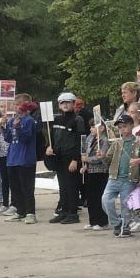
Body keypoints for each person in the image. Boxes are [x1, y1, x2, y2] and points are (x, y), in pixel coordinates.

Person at [47, 92, 86, 224]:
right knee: (62, 186)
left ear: (74, 104)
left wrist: (76, 159)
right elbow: (52, 137)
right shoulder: (57, 120)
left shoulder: (78, 120)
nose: (65, 105)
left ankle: (73, 214)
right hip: (59, 157)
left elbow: (81, 140)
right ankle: (63, 211)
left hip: (71, 158)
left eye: (68, 102)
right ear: (59, 105)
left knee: (72, 186)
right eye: (62, 102)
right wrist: (49, 147)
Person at [102, 114, 140, 237]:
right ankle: (117, 223)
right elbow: (107, 160)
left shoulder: (138, 143)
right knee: (105, 200)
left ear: (131, 125)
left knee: (126, 205)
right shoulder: (116, 143)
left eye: (125, 126)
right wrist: (102, 156)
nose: (122, 129)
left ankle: (125, 227)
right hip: (114, 178)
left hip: (129, 179)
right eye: (120, 127)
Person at [2, 99, 39, 224]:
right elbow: (8, 138)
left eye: (18, 104)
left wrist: (18, 128)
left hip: (25, 159)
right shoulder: (12, 120)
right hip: (12, 158)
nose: (15, 107)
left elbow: (26, 138)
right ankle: (20, 211)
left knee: (27, 188)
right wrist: (3, 127)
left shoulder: (29, 120)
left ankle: (30, 213)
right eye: (15, 105)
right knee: (15, 188)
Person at [80, 117, 111, 230]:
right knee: (90, 197)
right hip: (90, 171)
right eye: (91, 127)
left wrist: (88, 159)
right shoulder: (92, 139)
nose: (91, 129)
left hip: (100, 171)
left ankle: (102, 222)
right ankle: (93, 220)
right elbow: (87, 152)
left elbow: (101, 157)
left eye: (93, 126)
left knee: (98, 196)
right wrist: (85, 165)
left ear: (101, 128)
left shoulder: (104, 140)